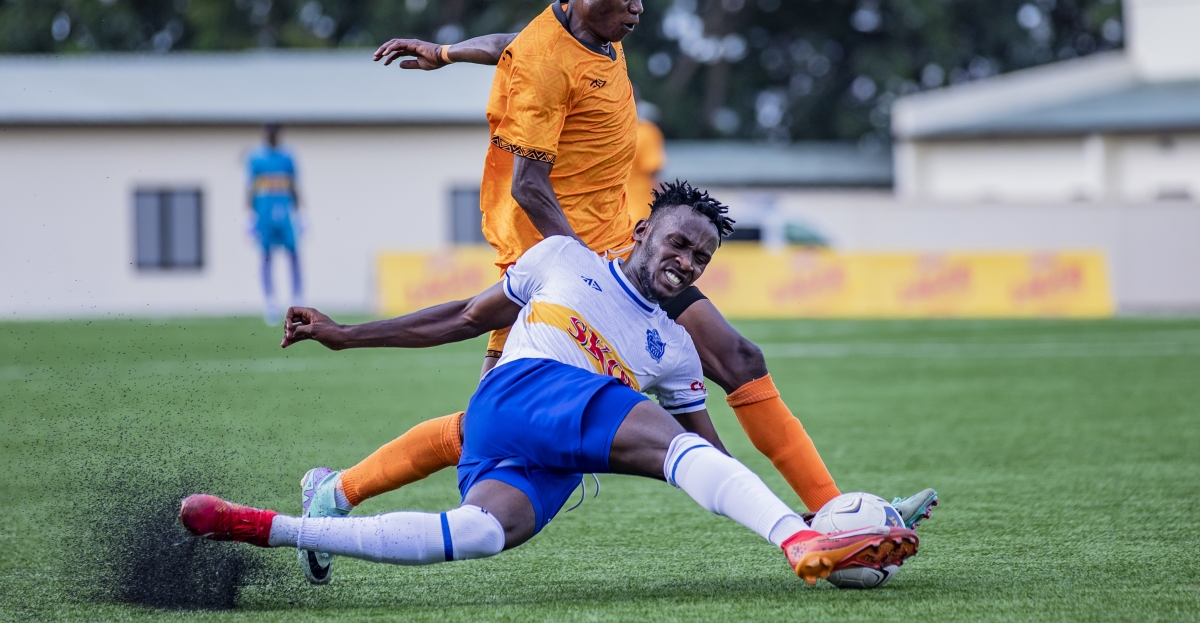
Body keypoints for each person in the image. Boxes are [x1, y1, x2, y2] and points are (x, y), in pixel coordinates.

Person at [344, 0, 934, 581]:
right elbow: (531, 187)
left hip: (614, 246)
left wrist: (448, 52)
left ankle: (833, 517)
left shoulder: (589, 32)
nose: (638, 9)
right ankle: (338, 492)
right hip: (569, 261)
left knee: (736, 357)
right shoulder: (548, 60)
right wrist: (590, 279)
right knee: (484, 425)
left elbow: (509, 44)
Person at [180, 185, 919, 585]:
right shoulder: (565, 258)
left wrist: (822, 519)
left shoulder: (675, 351)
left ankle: (270, 527)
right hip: (519, 392)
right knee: (656, 439)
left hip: (550, 457)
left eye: (701, 258)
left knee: (478, 534)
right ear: (640, 233)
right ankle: (796, 546)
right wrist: (346, 334)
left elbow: (708, 458)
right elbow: (466, 318)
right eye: (678, 242)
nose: (688, 261)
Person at [246, 123, 302, 325]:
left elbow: (295, 185)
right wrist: (249, 216)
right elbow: (250, 188)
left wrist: (301, 213)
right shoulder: (256, 158)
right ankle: (270, 302)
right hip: (264, 215)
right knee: (266, 257)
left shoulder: (287, 157)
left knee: (294, 255)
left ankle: (298, 300)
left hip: (285, 214)